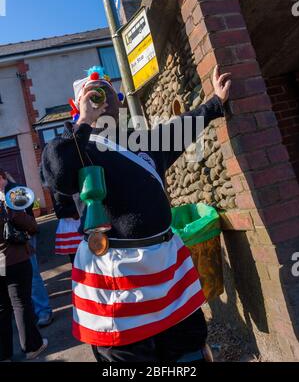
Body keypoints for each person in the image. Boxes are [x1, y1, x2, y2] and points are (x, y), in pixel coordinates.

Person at [41, 65, 231, 363]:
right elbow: (59, 175)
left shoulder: (137, 142)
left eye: (106, 94)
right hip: (117, 276)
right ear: (75, 105)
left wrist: (215, 103)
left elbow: (178, 131)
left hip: (167, 266)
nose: (101, 100)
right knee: (130, 357)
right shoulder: (76, 146)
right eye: (91, 95)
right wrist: (84, 122)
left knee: (188, 345)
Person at [0, 169, 48, 361]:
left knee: (2, 308)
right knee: (21, 304)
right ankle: (32, 347)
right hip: (14, 258)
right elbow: (28, 224)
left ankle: (3, 355)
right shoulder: (6, 201)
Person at [52, 192, 83, 265]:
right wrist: (77, 210)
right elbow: (59, 212)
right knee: (76, 260)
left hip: (84, 224)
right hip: (71, 228)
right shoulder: (58, 192)